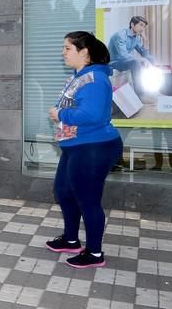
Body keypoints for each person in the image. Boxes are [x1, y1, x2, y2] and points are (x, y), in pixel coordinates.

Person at [46, 31, 123, 268]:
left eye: (67, 48)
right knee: (64, 191)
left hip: (93, 147)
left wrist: (60, 114)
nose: (63, 52)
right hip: (76, 145)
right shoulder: (80, 75)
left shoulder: (95, 80)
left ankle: (95, 253)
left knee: (87, 200)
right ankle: (70, 240)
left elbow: (92, 115)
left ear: (84, 52)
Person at [107, 16, 156, 96]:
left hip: (124, 61)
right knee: (135, 62)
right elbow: (123, 55)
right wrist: (141, 60)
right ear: (132, 24)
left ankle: (151, 88)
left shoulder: (136, 37)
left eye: (144, 26)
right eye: (141, 25)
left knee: (151, 58)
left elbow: (144, 53)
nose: (142, 28)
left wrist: (145, 40)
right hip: (114, 62)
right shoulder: (120, 35)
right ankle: (140, 94)